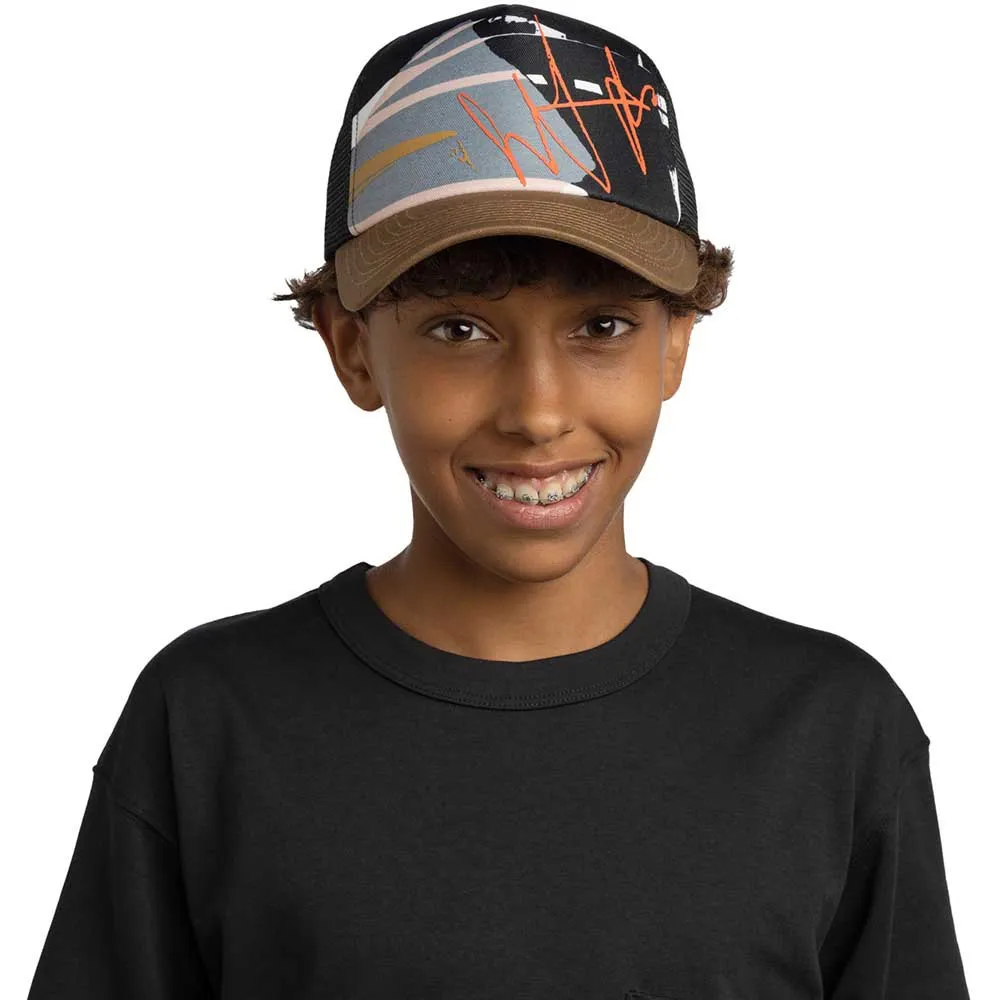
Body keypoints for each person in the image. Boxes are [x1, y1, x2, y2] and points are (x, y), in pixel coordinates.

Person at [27, 4, 970, 998]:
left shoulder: (828, 729)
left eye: (601, 325)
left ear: (675, 345)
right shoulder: (211, 722)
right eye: (459, 331)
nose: (537, 411)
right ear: (352, 350)